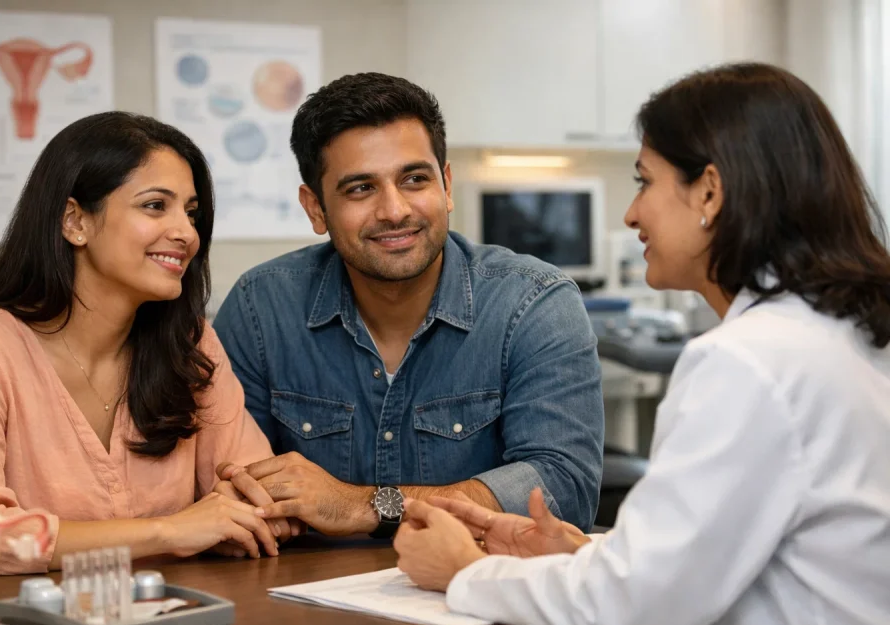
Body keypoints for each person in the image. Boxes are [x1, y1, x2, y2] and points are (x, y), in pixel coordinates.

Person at [394, 63, 890, 625]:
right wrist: (583, 554)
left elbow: (638, 610)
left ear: (709, 191)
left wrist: (464, 573)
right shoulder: (837, 335)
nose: (631, 214)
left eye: (644, 181)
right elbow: (728, 552)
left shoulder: (750, 362)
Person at [0, 112, 295, 581]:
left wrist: (240, 516)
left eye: (191, 213)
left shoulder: (190, 342)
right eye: (155, 206)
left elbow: (266, 493)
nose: (186, 233)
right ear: (75, 222)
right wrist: (170, 532)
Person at [212, 73, 604, 539]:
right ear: (315, 208)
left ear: (447, 184)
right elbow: (234, 493)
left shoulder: (534, 302)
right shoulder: (261, 309)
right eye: (361, 188)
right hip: (304, 597)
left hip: (475, 594)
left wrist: (367, 505)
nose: (395, 210)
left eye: (414, 179)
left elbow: (565, 487)